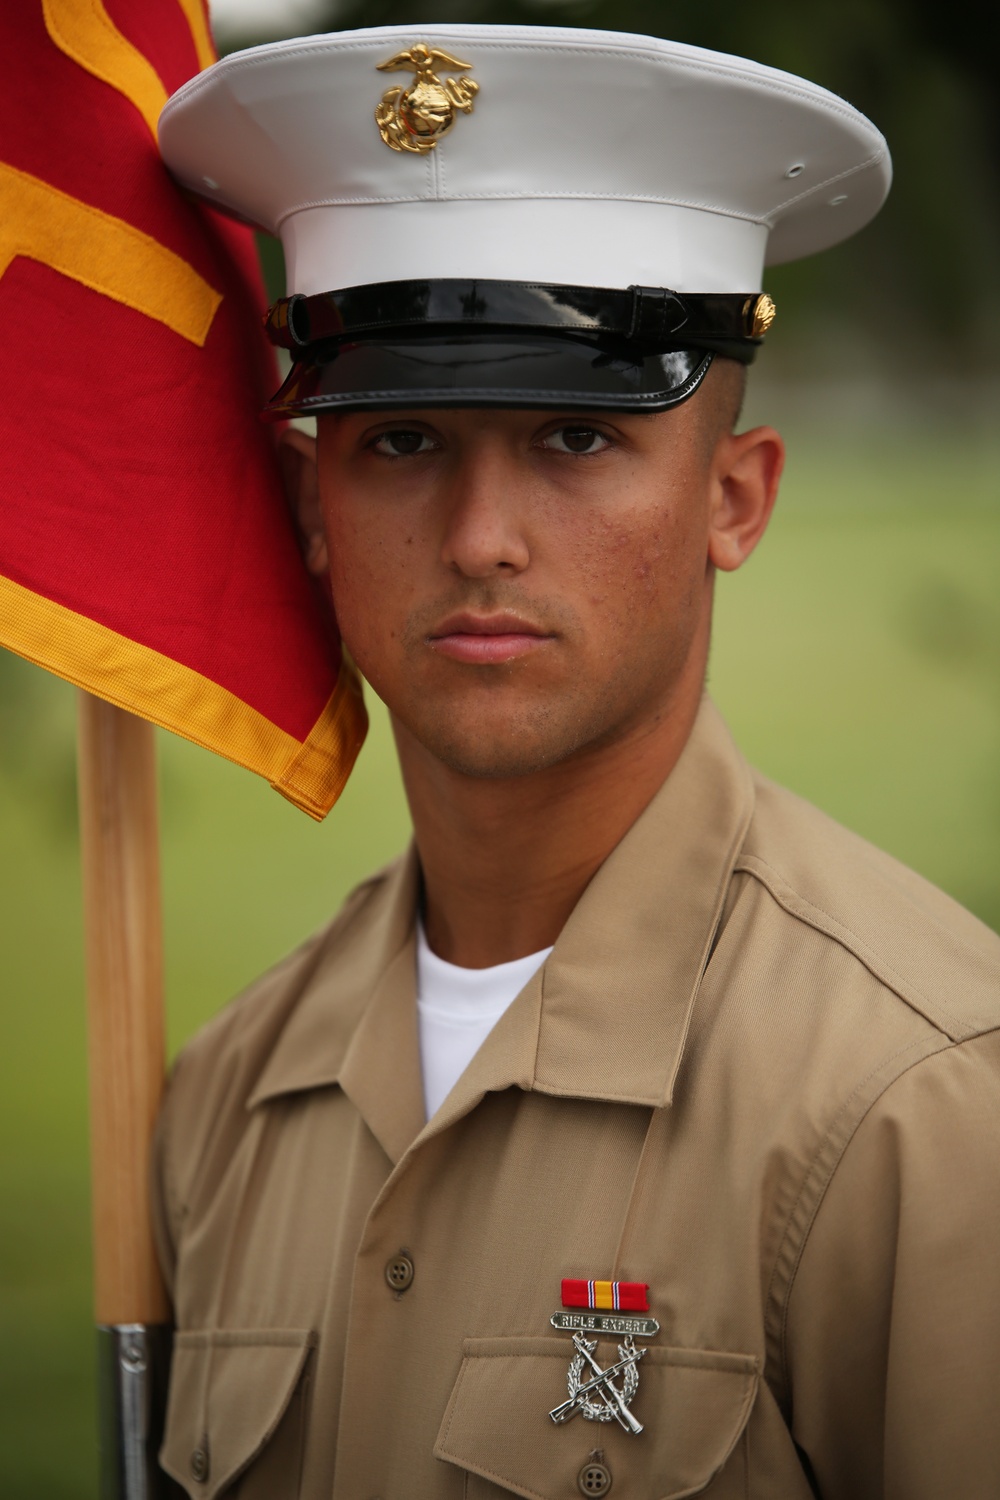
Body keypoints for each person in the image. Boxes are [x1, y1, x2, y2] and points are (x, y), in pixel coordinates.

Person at [153, 24, 1000, 1500]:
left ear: (735, 499)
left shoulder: (918, 1106)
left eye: (575, 437)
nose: (481, 537)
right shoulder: (224, 1098)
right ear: (310, 505)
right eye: (404, 439)